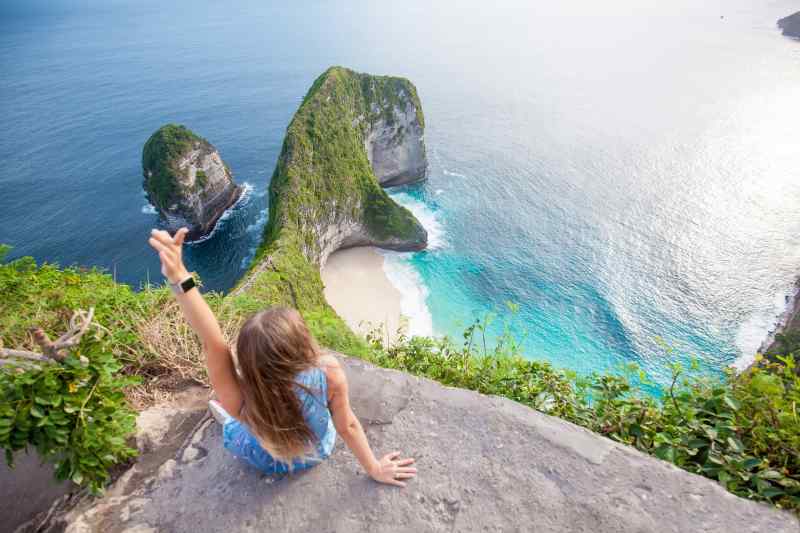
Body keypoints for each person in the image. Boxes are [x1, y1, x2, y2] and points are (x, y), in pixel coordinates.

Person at [147, 228, 417, 486]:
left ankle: (227, 419)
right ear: (303, 346)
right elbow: (347, 425)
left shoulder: (243, 397)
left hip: (267, 457)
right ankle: (231, 417)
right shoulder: (328, 373)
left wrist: (179, 277)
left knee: (231, 416)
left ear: (248, 362)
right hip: (316, 451)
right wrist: (374, 468)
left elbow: (212, 341)